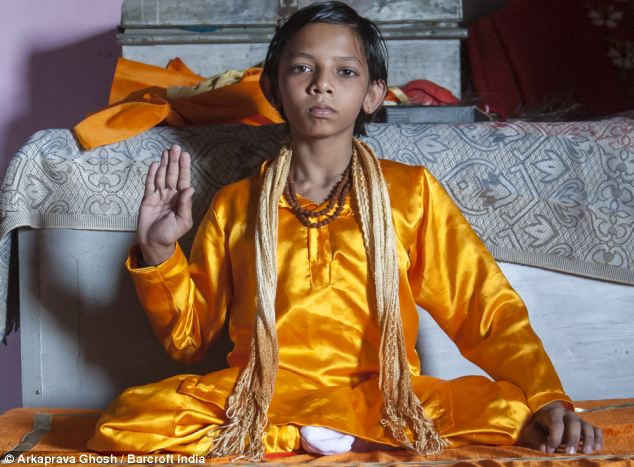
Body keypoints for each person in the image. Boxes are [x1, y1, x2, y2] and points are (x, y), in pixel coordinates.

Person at [87, 1, 602, 460]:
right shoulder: (237, 204)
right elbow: (187, 340)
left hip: (384, 394)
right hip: (263, 393)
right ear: (272, 88)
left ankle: (316, 431)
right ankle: (315, 431)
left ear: (374, 93)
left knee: (512, 410)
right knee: (127, 421)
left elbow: (483, 308)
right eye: (302, 68)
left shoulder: (411, 192)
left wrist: (547, 396)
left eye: (346, 70)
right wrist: (159, 251)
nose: (322, 84)